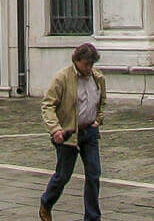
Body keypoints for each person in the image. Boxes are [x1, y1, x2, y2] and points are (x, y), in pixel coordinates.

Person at [39, 41, 106, 221]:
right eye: (86, 64)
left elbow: (102, 101)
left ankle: (92, 217)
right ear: (77, 61)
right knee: (63, 175)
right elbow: (48, 105)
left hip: (89, 132)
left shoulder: (98, 78)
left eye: (92, 64)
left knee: (94, 174)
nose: (89, 67)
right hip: (68, 134)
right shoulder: (62, 78)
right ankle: (46, 202)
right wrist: (55, 129)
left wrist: (98, 120)